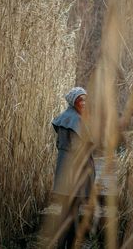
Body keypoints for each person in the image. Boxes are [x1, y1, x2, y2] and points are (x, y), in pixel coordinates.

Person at [51, 87, 95, 248]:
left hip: (65, 170)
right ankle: (68, 246)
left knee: (66, 212)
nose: (84, 103)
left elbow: (60, 145)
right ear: (73, 101)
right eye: (80, 99)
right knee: (72, 213)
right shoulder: (75, 120)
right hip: (75, 173)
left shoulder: (65, 117)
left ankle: (62, 245)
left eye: (85, 99)